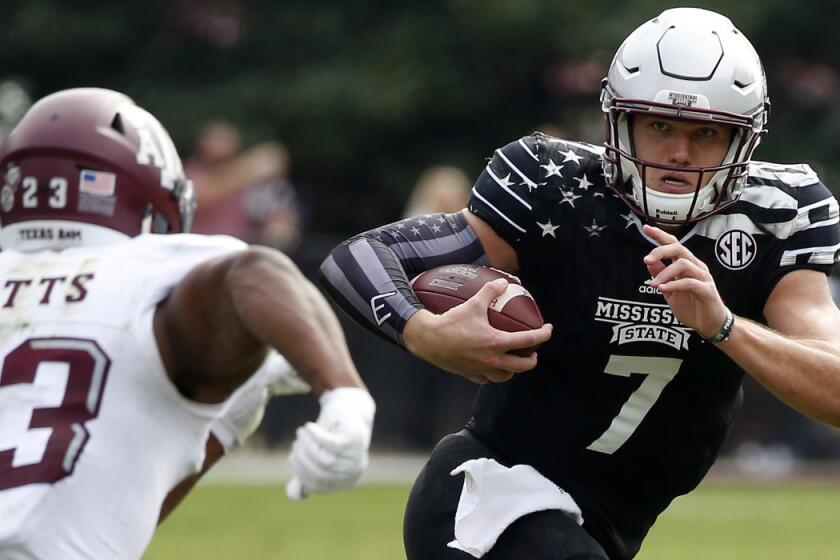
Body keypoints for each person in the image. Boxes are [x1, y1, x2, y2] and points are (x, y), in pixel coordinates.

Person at [319, 8, 840, 560]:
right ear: (620, 121)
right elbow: (359, 255)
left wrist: (724, 327)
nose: (679, 153)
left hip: (608, 523)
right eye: (659, 125)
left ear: (742, 140)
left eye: (706, 132)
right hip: (489, 494)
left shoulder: (780, 216)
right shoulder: (552, 185)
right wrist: (423, 332)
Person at [0, 88, 375, 559]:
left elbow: (100, 504)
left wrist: (221, 423)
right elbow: (257, 272)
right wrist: (344, 395)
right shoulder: (152, 265)